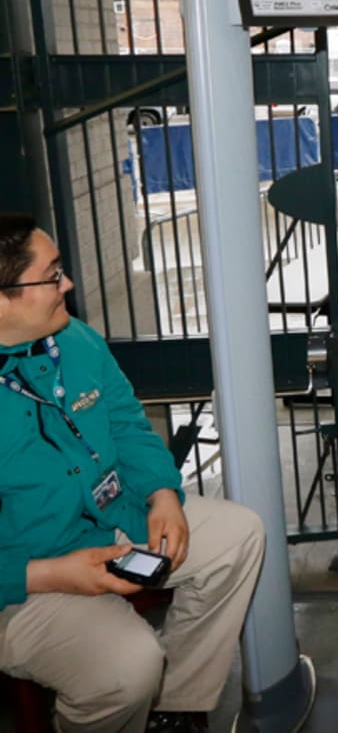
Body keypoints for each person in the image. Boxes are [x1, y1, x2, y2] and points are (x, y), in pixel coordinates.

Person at [0, 214, 266, 733]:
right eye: (52, 274)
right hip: (22, 581)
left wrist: (163, 495)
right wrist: (52, 574)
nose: (69, 284)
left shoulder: (75, 339)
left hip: (111, 521)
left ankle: (177, 706)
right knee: (128, 669)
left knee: (240, 535)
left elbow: (127, 424)